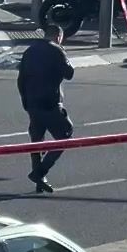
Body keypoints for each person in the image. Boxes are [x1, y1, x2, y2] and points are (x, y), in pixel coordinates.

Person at [18, 24, 76, 193]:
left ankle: (40, 181)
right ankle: (40, 172)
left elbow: (21, 79)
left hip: (32, 103)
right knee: (65, 135)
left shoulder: (30, 51)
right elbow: (69, 73)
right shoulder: (56, 50)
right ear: (58, 36)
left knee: (37, 141)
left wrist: (26, 101)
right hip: (50, 103)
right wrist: (63, 52)